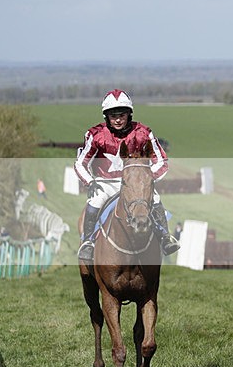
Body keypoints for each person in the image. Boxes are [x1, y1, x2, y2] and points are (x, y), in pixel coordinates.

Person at [74, 89, 180, 261]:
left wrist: (146, 179)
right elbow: (80, 163)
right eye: (113, 115)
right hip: (105, 183)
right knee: (95, 201)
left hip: (136, 184)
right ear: (106, 116)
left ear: (129, 114)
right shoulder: (95, 135)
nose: (117, 119)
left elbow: (161, 161)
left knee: (156, 199)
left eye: (122, 115)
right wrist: (89, 181)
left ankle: (165, 237)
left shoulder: (143, 133)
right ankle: (88, 242)